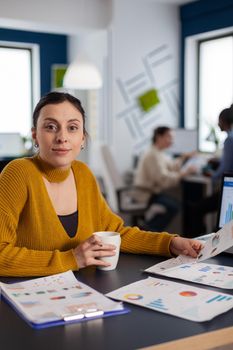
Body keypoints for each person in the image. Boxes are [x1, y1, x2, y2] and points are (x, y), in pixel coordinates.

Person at [0, 92, 202, 277]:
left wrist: (170, 243)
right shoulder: (18, 172)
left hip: (81, 295)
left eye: (72, 127)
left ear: (82, 138)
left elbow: (117, 233)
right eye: (50, 127)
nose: (62, 137)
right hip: (27, 302)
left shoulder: (83, 174)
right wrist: (72, 259)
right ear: (35, 135)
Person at [134, 126, 197, 231]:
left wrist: (183, 157)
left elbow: (170, 166)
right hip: (147, 194)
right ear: (159, 137)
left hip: (152, 192)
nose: (172, 141)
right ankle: (147, 230)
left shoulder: (158, 152)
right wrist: (183, 173)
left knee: (174, 204)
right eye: (169, 137)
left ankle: (148, 229)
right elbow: (163, 179)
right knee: (174, 207)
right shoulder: (152, 155)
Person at [188, 104, 233, 236]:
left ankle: (196, 241)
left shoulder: (229, 140)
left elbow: (225, 168)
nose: (217, 123)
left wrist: (211, 175)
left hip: (228, 188)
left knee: (197, 209)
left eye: (219, 120)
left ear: (224, 121)